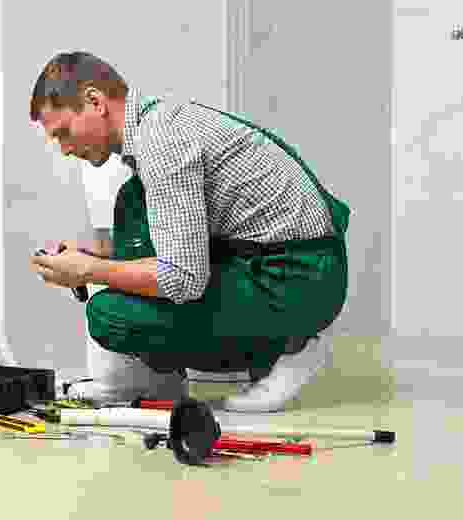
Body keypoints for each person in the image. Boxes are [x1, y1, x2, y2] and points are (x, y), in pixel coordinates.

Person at [29, 51, 350, 413]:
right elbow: (180, 242)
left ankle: (289, 346)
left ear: (95, 101)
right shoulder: (160, 123)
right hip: (281, 259)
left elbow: (183, 279)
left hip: (298, 276)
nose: (65, 149)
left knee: (109, 314)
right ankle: (158, 382)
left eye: (64, 133)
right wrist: (95, 258)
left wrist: (88, 271)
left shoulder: (162, 143)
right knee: (133, 201)